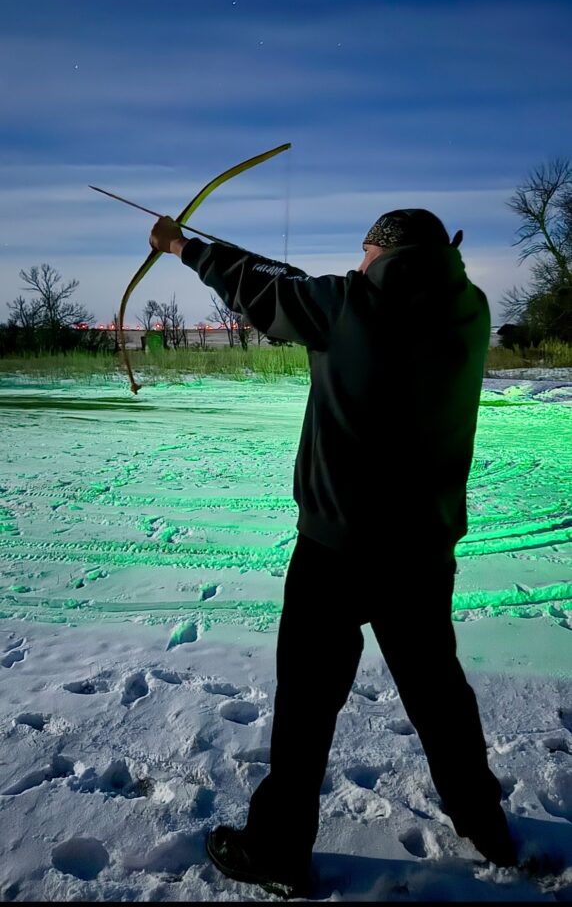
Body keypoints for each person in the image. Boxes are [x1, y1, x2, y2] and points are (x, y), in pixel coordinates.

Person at [150, 208, 517, 899]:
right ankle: (486, 823)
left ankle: (279, 851)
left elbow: (261, 290)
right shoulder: (468, 308)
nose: (356, 264)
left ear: (380, 253)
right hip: (424, 551)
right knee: (438, 693)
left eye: (364, 253)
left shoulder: (346, 303)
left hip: (337, 551)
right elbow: (291, 284)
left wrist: (180, 246)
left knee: (306, 709)